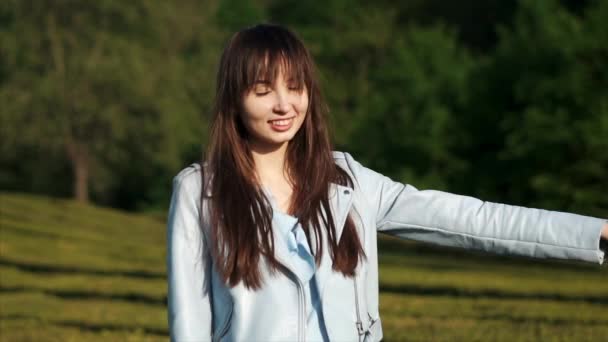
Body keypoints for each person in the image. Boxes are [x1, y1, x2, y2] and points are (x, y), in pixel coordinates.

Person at [166, 23, 607, 342]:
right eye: (263, 90)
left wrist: (596, 231)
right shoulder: (199, 191)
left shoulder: (349, 181)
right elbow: (189, 318)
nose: (284, 105)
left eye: (295, 87)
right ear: (235, 100)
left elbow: (473, 220)